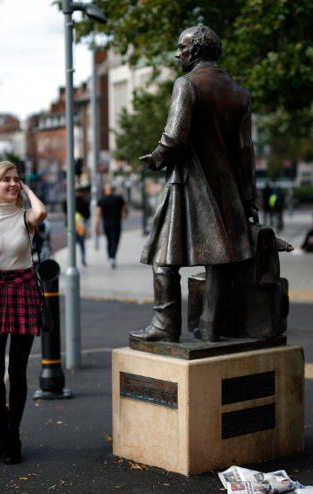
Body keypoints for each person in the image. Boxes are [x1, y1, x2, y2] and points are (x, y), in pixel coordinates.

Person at [131, 26, 259, 343]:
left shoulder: (186, 84)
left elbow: (174, 137)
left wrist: (156, 159)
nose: (178, 54)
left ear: (197, 50)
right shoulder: (240, 93)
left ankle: (165, 324)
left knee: (163, 257)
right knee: (220, 260)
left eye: (182, 47)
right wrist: (249, 197)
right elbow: (245, 150)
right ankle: (211, 327)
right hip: (227, 186)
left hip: (189, 183)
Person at [0, 160, 47, 464]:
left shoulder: (26, 216)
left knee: (17, 370)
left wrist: (26, 188)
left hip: (23, 289)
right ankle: (1, 421)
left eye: (16, 179)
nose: (13, 184)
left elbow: (40, 212)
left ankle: (13, 434)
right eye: (7, 180)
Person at [95, 183, 128, 269]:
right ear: (113, 190)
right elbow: (125, 209)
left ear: (105, 190)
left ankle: (110, 258)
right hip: (116, 224)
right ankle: (112, 258)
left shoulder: (101, 200)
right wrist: (126, 215)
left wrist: (96, 227)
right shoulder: (118, 199)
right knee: (115, 241)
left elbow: (98, 214)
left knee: (109, 241)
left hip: (106, 224)